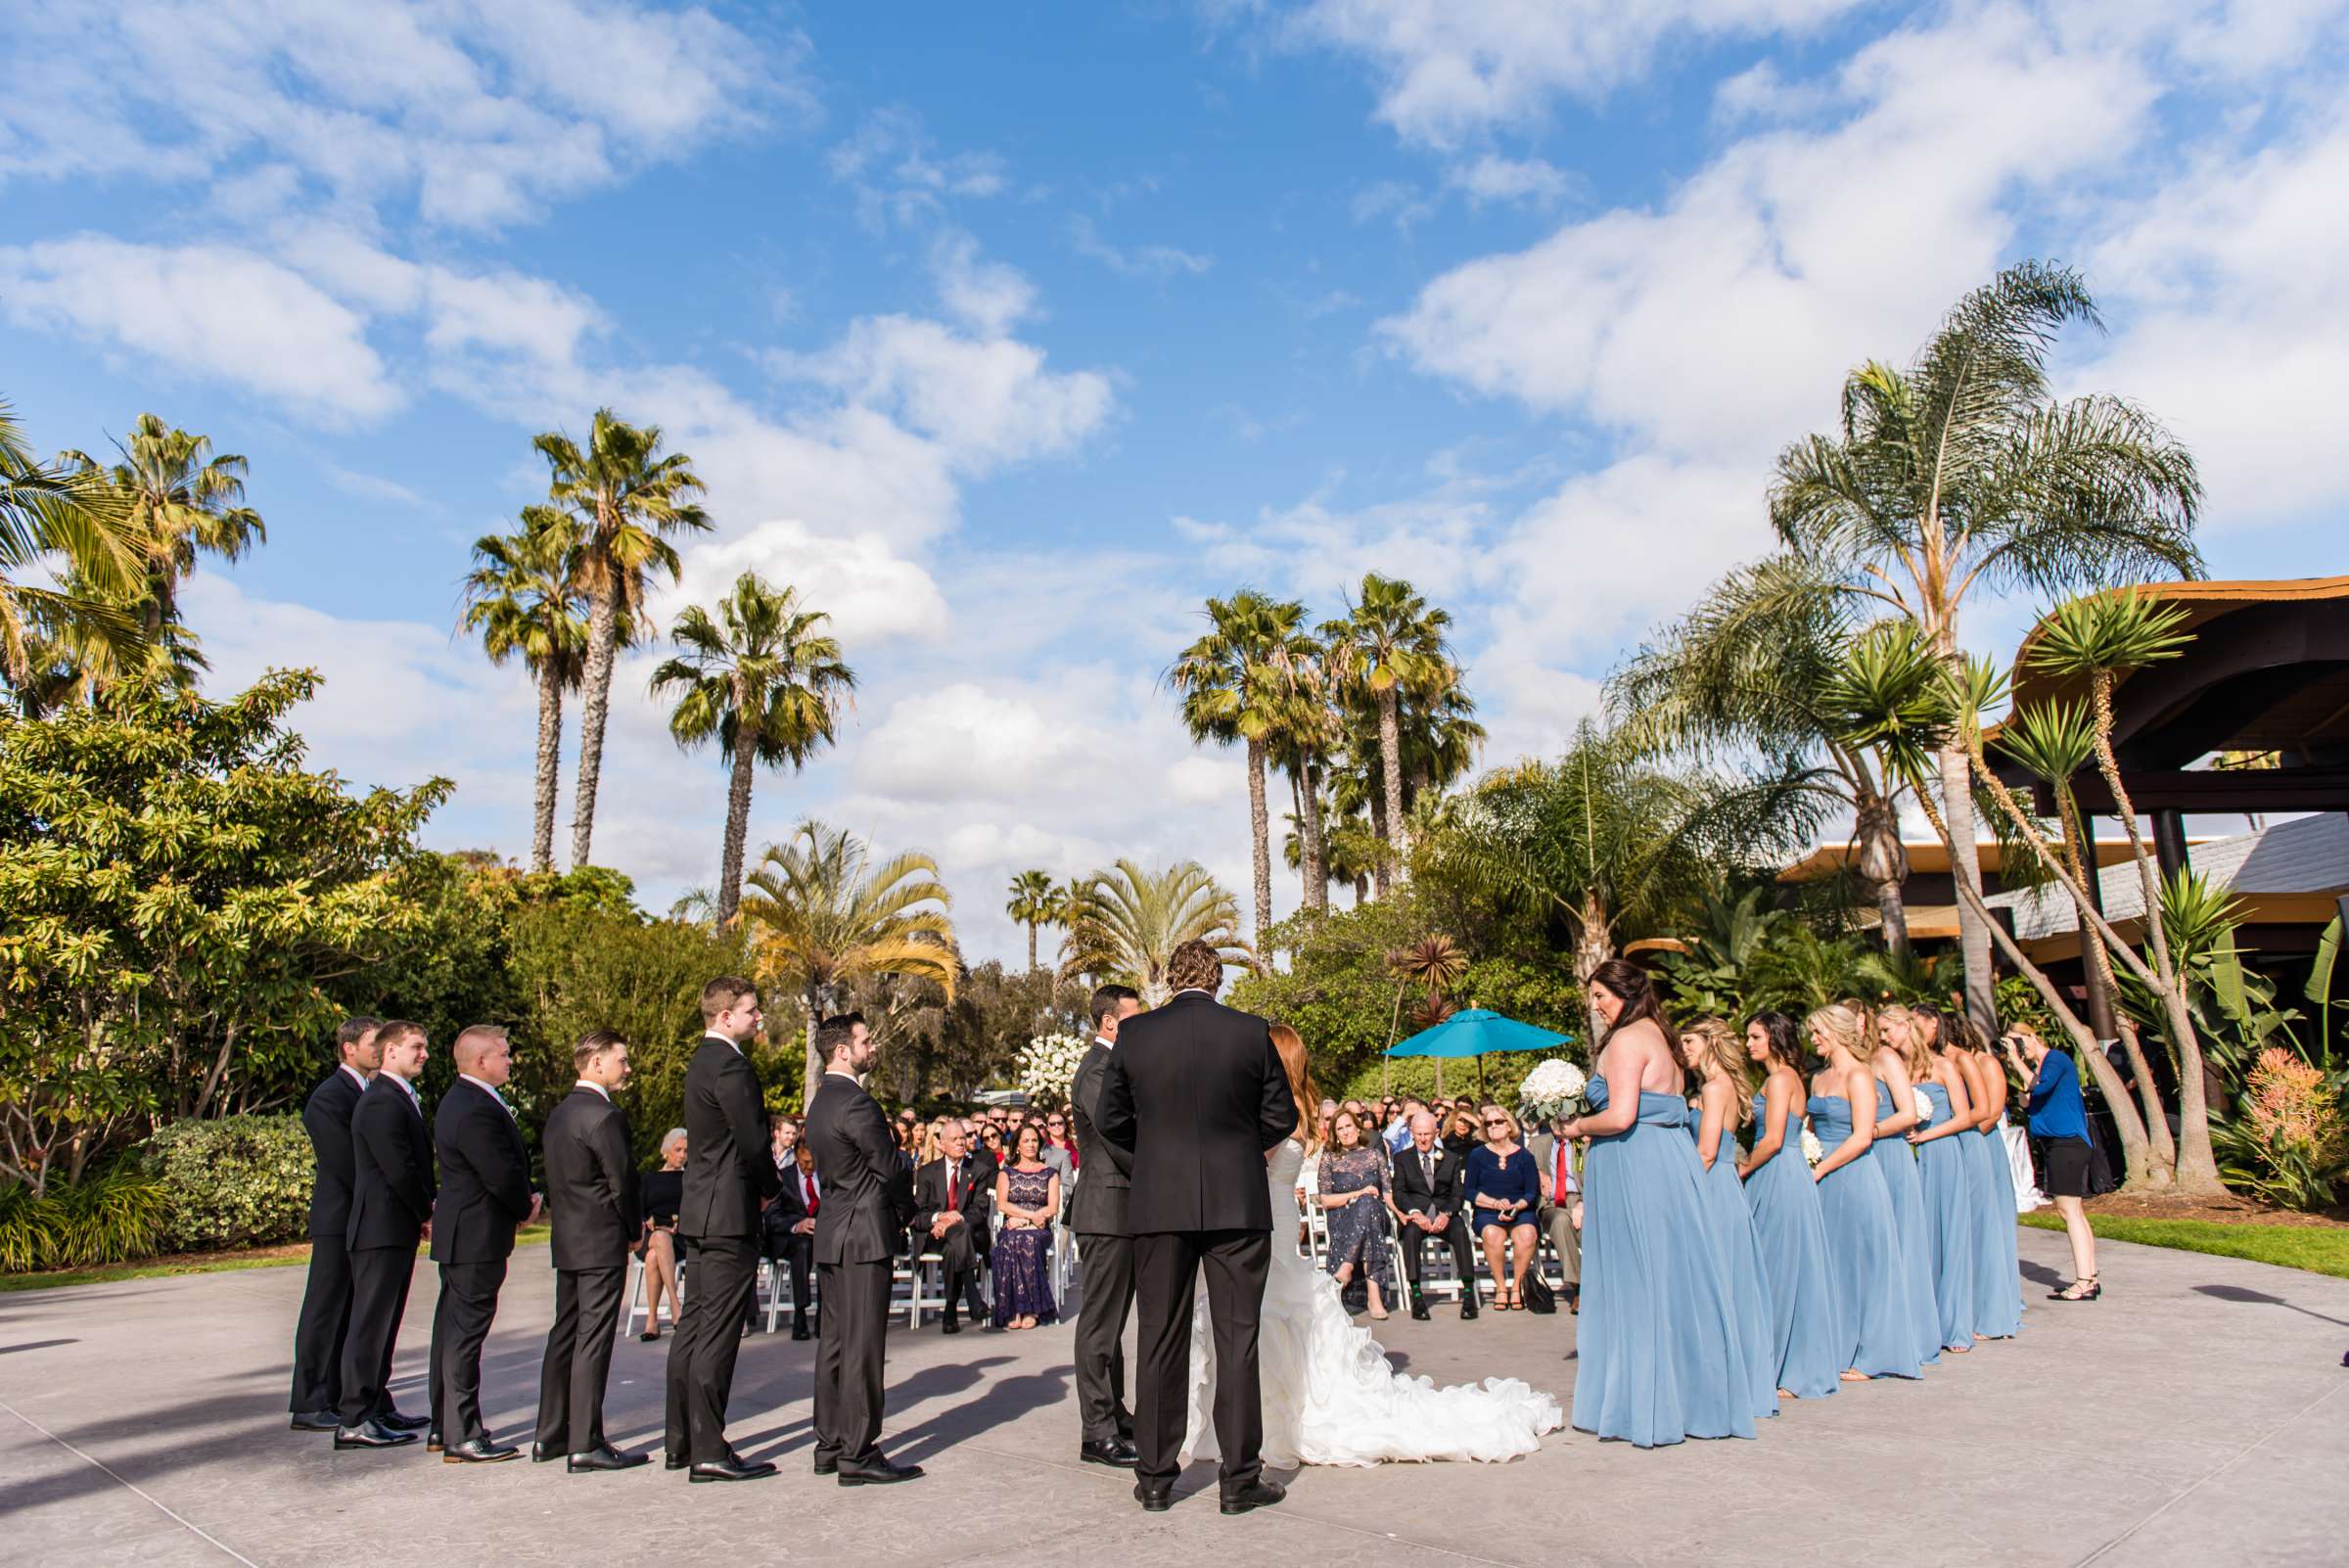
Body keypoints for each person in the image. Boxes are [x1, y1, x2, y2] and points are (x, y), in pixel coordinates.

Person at [1178, 1021, 1559, 1468]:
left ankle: (1269, 1420)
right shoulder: (1293, 1106)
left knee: (1264, 1310)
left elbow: (1244, 1159)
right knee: (1270, 1311)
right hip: (1277, 1215)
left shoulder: (1270, 1113)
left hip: (1265, 1220)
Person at [1098, 938, 1299, 1516]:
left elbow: (1111, 1118)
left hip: (1159, 1203)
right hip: (1237, 1202)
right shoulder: (1249, 1030)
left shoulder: (1136, 1035)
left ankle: (1156, 1479)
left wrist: (1158, 1159)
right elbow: (1280, 1115)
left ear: (1169, 980)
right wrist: (1238, 1152)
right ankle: (1239, 1480)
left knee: (1159, 1336)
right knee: (1239, 1338)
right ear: (1217, 979)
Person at [1555, 960, 1758, 1447]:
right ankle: (1690, 1396)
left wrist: (1577, 1127)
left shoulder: (1626, 1041)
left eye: (1601, 995)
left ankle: (1642, 1402)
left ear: (1623, 993)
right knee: (1670, 1276)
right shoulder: (1664, 1039)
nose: (1596, 1006)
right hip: (1668, 1158)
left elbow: (1622, 1115)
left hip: (1634, 1162)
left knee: (1634, 1278)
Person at [663, 977, 782, 1483]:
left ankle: (682, 1441)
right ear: (725, 1016)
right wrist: (772, 1187)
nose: (759, 1018)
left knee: (693, 1325)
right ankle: (708, 1449)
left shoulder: (700, 1061)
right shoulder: (732, 1065)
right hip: (729, 1211)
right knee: (717, 1331)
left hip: (701, 1209)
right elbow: (753, 1141)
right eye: (752, 1010)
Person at [806, 1013, 922, 1486]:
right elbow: (889, 1167)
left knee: (834, 1343)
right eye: (865, 1040)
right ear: (842, 1051)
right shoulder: (857, 1103)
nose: (872, 1047)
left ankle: (830, 1443)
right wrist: (912, 1209)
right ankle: (858, 1449)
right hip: (862, 1233)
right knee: (862, 1345)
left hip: (833, 1231)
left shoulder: (818, 1104)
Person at [291, 1018, 415, 1433]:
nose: (380, 1047)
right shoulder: (329, 1097)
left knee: (363, 1313)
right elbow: (346, 1162)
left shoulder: (374, 1091)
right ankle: (310, 1400)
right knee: (326, 1309)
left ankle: (368, 1398)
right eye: (371, 1042)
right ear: (348, 1049)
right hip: (339, 1217)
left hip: (365, 1218)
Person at [533, 1029, 647, 1470]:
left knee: (564, 1334)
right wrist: (634, 1230)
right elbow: (622, 1180)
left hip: (567, 1237)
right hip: (601, 1240)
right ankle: (585, 1440)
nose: (628, 1067)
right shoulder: (604, 1116)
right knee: (592, 1340)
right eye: (622, 1059)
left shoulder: (560, 1114)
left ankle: (550, 1434)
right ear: (596, 1062)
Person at [429, 1024, 538, 1462]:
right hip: (475, 1235)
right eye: (504, 1054)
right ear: (480, 1061)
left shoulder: (465, 1099)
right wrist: (523, 1207)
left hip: (464, 1232)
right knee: (464, 1336)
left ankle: (444, 1425)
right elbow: (497, 1170)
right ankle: (462, 1433)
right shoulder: (473, 1106)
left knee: (452, 1331)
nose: (509, 1060)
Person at [335, 1020, 436, 1451]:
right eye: (416, 1046)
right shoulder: (380, 1102)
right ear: (390, 1051)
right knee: (369, 1325)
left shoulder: (396, 1096)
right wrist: (428, 1209)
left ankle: (376, 1404)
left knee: (386, 1323)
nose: (424, 1054)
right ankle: (354, 1418)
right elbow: (399, 1168)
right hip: (379, 1228)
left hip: (393, 1228)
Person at [1735, 1011, 1846, 1401]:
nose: (1749, 1044)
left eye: (1755, 1036)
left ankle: (1780, 1363)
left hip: (1777, 1171)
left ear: (1775, 1038)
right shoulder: (1784, 1078)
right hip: (1783, 1169)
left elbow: (1774, 1137)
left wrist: (1743, 1169)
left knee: (1776, 1266)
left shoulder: (1780, 1079)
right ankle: (1779, 1360)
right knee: (1779, 1263)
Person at [1807, 1005, 1920, 1381]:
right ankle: (1834, 1344)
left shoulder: (1859, 1076)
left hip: (1852, 1174)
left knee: (1862, 1259)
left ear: (1838, 1032)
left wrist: (1821, 1168)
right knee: (1832, 1260)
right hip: (1821, 1174)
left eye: (1819, 1032)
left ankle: (1872, 1352)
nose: (1814, 1039)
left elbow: (1862, 1135)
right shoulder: (1818, 1078)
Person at [1679, 1019, 1778, 1423]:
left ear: (1710, 1044)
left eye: (1689, 1041)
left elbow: (1705, 1152)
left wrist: (1681, 1193)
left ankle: (1722, 1385)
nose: (1683, 1048)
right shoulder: (1722, 1088)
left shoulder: (1713, 1088)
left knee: (1714, 1283)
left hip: (1712, 1188)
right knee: (1728, 1282)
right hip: (1723, 1184)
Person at [1068, 983, 1142, 1467]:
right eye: (1135, 1017)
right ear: (1110, 1022)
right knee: (1099, 1323)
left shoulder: (1116, 1068)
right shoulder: (1096, 1071)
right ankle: (1096, 1430)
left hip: (1123, 1209)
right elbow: (1117, 1138)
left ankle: (1113, 1411)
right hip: (1105, 1209)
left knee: (1113, 1322)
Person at [1903, 1005, 1981, 1355]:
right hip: (1911, 1155)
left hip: (1942, 1150)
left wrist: (1927, 1136)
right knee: (1920, 1235)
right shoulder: (1900, 1069)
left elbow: (1966, 1116)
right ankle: (1922, 1320)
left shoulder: (1946, 1066)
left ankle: (1954, 1323)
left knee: (1948, 1232)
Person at [1867, 1005, 1942, 1369]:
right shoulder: (1878, 1059)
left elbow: (1908, 1111)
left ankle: (1909, 1332)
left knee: (1902, 1240)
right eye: (1878, 1031)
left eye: (1886, 1030)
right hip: (1879, 1152)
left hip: (1891, 1148)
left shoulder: (1888, 1061)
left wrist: (1871, 1130)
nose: (1883, 1037)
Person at [2004, 1025, 2100, 1301]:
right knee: (2074, 1211)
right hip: (2059, 1143)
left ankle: (2083, 1281)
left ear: (2034, 1036)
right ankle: (2089, 1276)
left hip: (2066, 1142)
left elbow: (2039, 1088)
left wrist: (2017, 1061)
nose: (2019, 1049)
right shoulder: (2043, 1067)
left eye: (2020, 1042)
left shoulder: (2055, 1059)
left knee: (2068, 1209)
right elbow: (2030, 1099)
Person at [1944, 1011, 2023, 1336]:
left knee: (1992, 1219)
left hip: (1982, 1142)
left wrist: (1964, 1138)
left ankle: (1998, 1294)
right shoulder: (1948, 1066)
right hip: (1959, 1138)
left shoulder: (1985, 1063)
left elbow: (1991, 1111)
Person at [1390, 1109, 1477, 1320]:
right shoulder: (1402, 1158)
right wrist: (1415, 1213)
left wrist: (1447, 1213)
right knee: (1410, 1235)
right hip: (1416, 1216)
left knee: (1460, 1231)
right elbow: (1399, 1192)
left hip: (1443, 1214)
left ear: (1436, 1133)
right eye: (1418, 1134)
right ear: (1411, 1133)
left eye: (1426, 1134)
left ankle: (1468, 1294)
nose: (1422, 1139)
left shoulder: (1451, 1159)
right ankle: (1417, 1295)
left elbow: (1458, 1192)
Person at [1315, 1108, 1397, 1319]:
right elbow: (1326, 1200)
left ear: (1357, 1127)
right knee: (1367, 1204)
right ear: (1335, 1134)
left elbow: (1388, 1193)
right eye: (1339, 1128)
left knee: (1369, 1205)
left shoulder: (1374, 1155)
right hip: (1342, 1218)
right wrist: (1358, 1193)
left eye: (1348, 1126)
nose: (1345, 1132)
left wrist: (1402, 1214)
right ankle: (1374, 1297)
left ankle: (1347, 1265)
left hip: (1377, 1215)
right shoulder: (1330, 1158)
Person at [911, 1120, 991, 1332]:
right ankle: (973, 1297)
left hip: (968, 1234)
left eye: (963, 1138)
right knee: (956, 1237)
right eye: (954, 1139)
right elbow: (917, 1214)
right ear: (942, 1144)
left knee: (954, 1243)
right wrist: (939, 1218)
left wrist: (952, 1220)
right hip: (933, 1236)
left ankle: (950, 1309)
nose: (960, 1143)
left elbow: (980, 1211)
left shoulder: (978, 1170)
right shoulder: (927, 1172)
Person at [1463, 1105, 1541, 1312]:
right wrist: (1494, 1204)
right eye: (1488, 1123)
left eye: (1498, 1121)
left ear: (1509, 1125)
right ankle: (1500, 1288)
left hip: (1520, 1210)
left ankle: (1516, 1286)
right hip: (1488, 1211)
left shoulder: (1525, 1156)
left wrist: (1516, 1206)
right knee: (1492, 1235)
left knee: (1526, 1234)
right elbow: (1469, 1190)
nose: (1493, 1126)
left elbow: (1532, 1192)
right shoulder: (1477, 1155)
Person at [992, 1125, 1062, 1329]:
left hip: (1040, 1229)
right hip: (1014, 1224)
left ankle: (1031, 1308)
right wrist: (1027, 1218)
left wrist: (1030, 1222)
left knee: (1028, 1239)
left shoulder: (1050, 1173)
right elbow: (1002, 1204)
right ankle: (1013, 1308)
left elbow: (1053, 1207)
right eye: (1026, 1141)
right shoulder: (1006, 1173)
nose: (1031, 1145)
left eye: (1034, 1140)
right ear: (1017, 1146)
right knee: (1011, 1240)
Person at [1521, 1113, 1581, 1315]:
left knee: (1594, 1227)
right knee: (1562, 1221)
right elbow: (1522, 1172)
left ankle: (1606, 1286)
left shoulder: (1586, 1142)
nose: (1559, 1123)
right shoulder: (1538, 1143)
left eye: (1565, 1119)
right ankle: (1579, 1288)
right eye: (1555, 1118)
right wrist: (1536, 1173)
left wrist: (1584, 1204)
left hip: (1582, 1200)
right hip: (1552, 1203)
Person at [763, 1141, 821, 1340]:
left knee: (828, 1248)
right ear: (797, 1156)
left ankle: (824, 1312)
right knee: (803, 1247)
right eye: (805, 1162)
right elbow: (772, 1217)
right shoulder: (784, 1178)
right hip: (790, 1238)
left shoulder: (825, 1176)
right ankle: (801, 1312)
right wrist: (798, 1225)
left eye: (813, 1162)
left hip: (821, 1236)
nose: (809, 1167)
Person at [638, 1130, 688, 1342]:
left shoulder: (690, 1178)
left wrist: (673, 1225)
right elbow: (639, 1211)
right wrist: (651, 1222)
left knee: (653, 1257)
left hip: (679, 1237)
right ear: (665, 1151)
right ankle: (675, 1305)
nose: (682, 1155)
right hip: (651, 1235)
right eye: (677, 1150)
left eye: (686, 1151)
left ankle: (652, 1320)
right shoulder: (649, 1179)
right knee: (658, 1238)